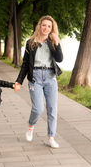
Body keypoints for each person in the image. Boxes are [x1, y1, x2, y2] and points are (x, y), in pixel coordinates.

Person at [14, 15, 63, 148]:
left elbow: (59, 59)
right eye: (44, 25)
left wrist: (57, 43)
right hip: (35, 77)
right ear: (39, 26)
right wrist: (19, 81)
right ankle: (31, 125)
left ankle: (51, 137)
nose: (46, 28)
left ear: (52, 28)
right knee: (38, 108)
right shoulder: (31, 42)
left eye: (49, 26)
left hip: (50, 77)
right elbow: (25, 64)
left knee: (52, 109)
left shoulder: (53, 41)